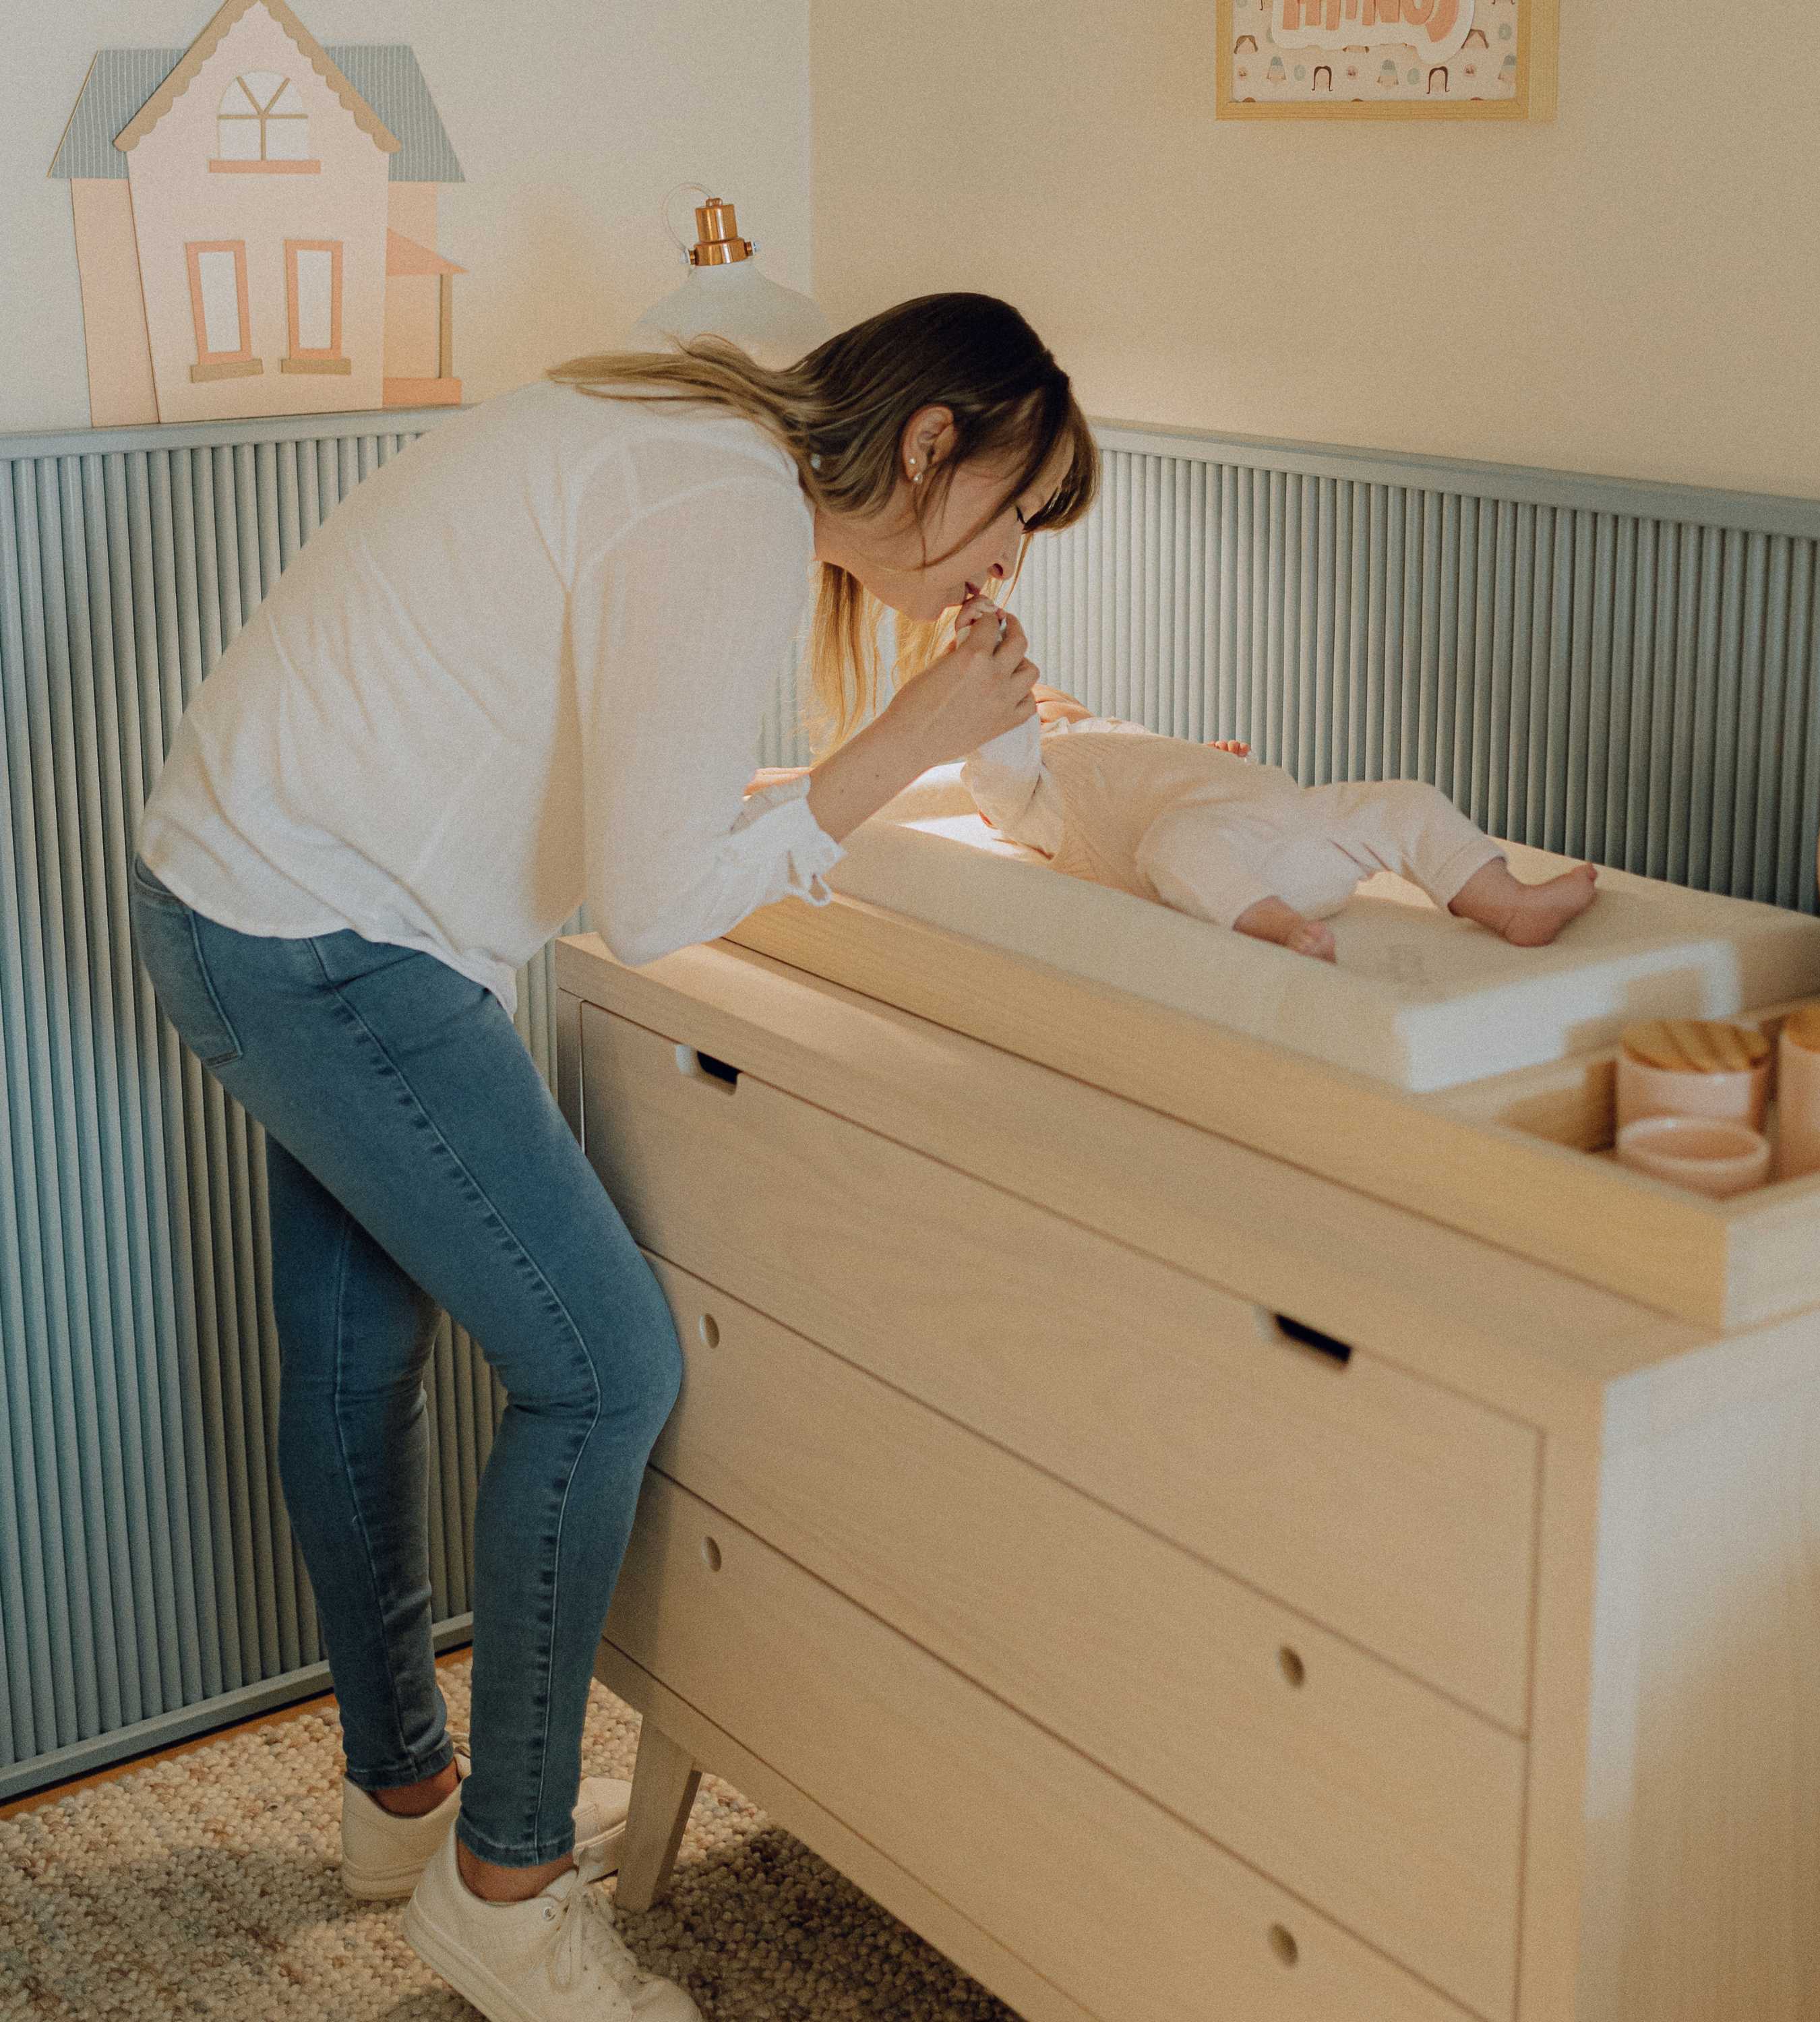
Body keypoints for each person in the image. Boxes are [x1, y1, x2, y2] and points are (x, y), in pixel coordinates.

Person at [127, 293, 1095, 2022]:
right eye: (1021, 501)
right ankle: (504, 1891)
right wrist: (905, 747)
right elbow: (649, 905)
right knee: (603, 1365)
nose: (1013, 553)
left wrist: (880, 749)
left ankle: (399, 1801)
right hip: (326, 934)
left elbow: (650, 793)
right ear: (933, 439)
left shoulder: (696, 428)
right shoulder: (720, 509)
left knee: (357, 1358)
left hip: (239, 882)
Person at [961, 681, 1598, 958]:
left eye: (1057, 704)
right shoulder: (1027, 795)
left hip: (1298, 832)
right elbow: (999, 762)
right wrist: (1003, 696)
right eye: (1041, 711)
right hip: (1227, 865)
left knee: (1408, 804)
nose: (1055, 709)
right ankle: (1283, 929)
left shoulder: (1121, 734)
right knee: (1178, 843)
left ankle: (1510, 904)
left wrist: (1206, 759)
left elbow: (1164, 772)